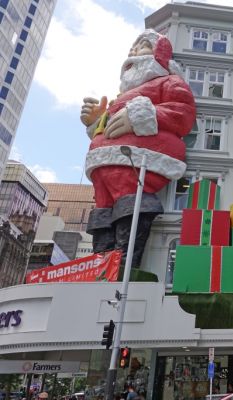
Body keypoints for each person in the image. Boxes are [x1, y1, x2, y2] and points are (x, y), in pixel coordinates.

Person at [80, 29, 196, 266]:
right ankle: (101, 265)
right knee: (103, 215)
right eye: (132, 47)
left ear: (159, 53)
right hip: (104, 166)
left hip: (137, 162)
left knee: (130, 207)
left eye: (141, 45)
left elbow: (182, 112)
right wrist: (96, 121)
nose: (133, 51)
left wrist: (142, 115)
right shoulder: (122, 96)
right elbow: (107, 126)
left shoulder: (169, 81)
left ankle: (122, 264)